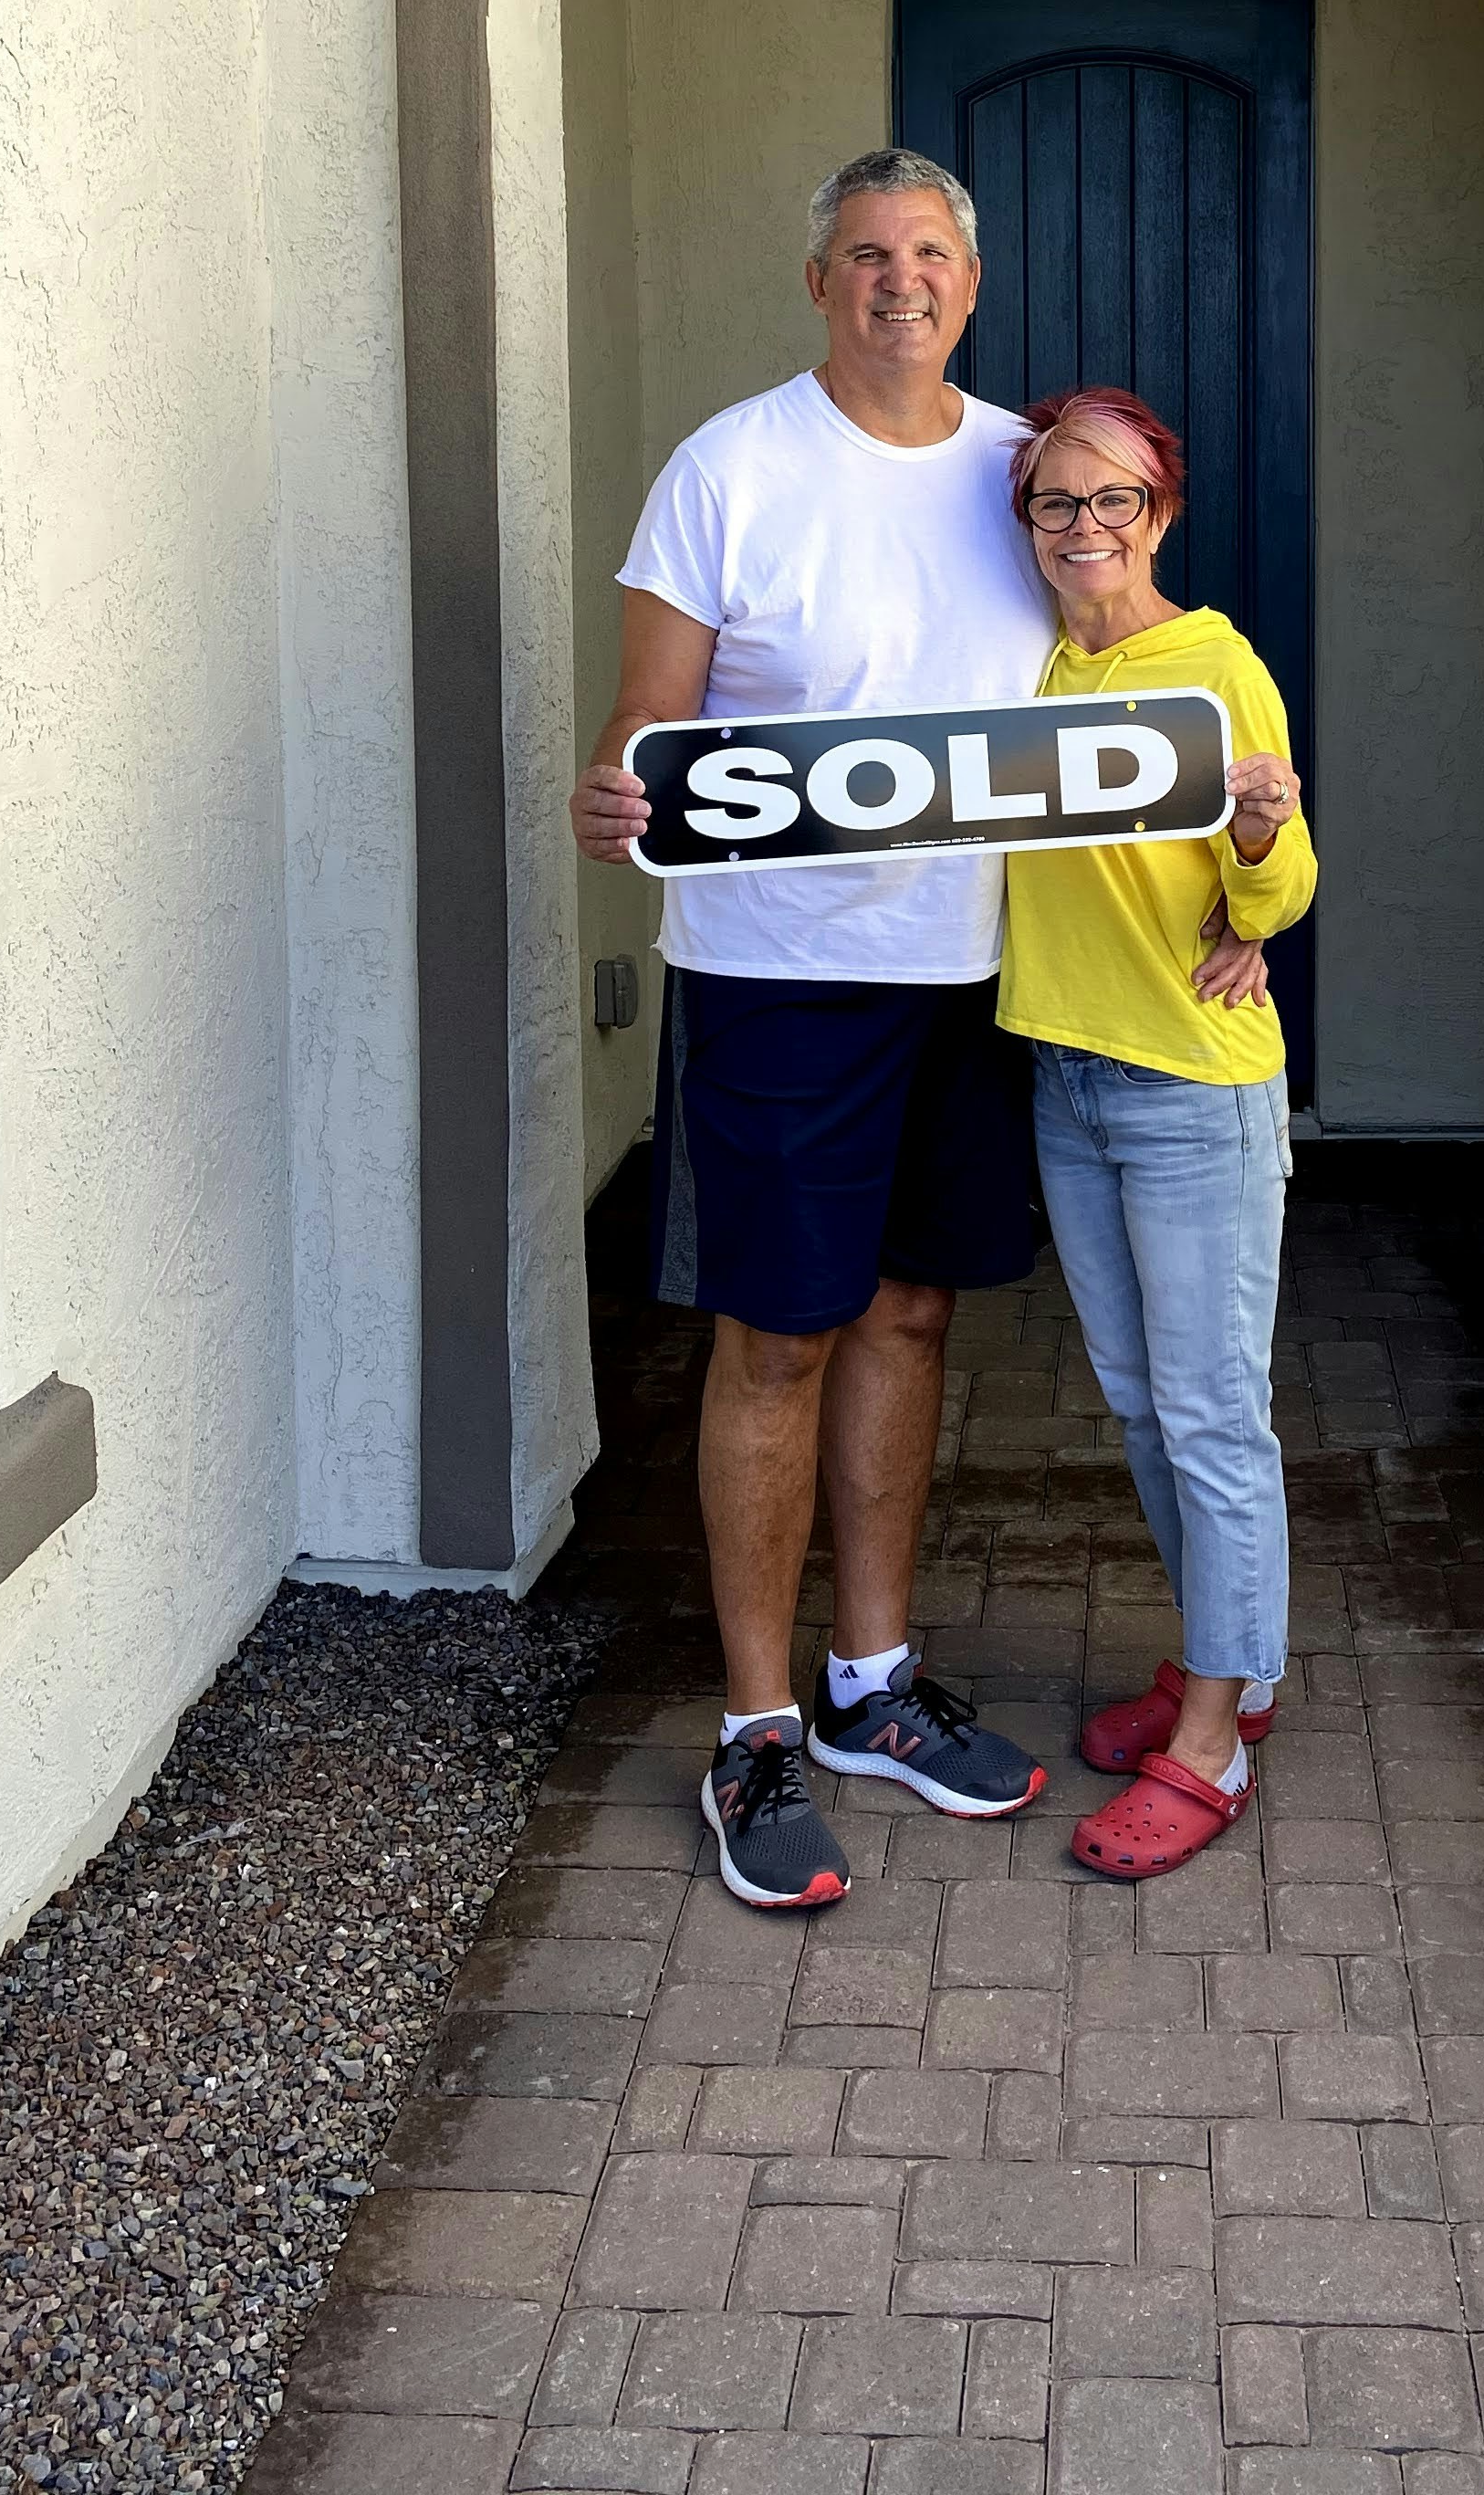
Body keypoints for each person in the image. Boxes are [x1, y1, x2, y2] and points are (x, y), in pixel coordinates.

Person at [566, 153, 1267, 1909]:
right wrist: (620, 796)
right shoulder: (729, 467)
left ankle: (873, 1686)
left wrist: (1235, 864)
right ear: (820, 283)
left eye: (933, 255)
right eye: (868, 254)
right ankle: (755, 1730)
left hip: (971, 979)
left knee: (908, 1313)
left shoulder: (1025, 476)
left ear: (972, 282)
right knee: (775, 1338)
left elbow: (1136, 690)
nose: (902, 282)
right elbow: (651, 736)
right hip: (779, 983)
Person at [995, 385, 1316, 1878]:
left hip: (1192, 1085)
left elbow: (1278, 890)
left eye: (1111, 500)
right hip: (1067, 1077)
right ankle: (1227, 1672)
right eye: (1056, 502)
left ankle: (1214, 1741)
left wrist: (1253, 849)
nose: (1082, 528)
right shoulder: (1032, 670)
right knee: (1135, 1403)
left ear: (1160, 515)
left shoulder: (1215, 663)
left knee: (1210, 1415)